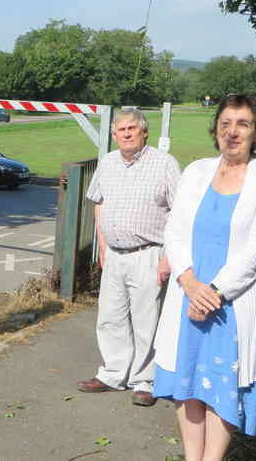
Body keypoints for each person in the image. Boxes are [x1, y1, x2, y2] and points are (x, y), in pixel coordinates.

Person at [153, 94, 256, 460]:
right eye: (225, 124)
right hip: (187, 296)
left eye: (243, 124)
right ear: (216, 130)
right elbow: (174, 231)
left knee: (221, 389)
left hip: (231, 304)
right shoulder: (196, 171)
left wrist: (213, 293)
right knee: (188, 384)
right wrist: (191, 284)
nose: (232, 132)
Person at [77, 108, 181, 407]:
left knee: (147, 320)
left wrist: (168, 258)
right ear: (113, 135)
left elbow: (180, 212)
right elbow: (98, 202)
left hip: (149, 253)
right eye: (120, 129)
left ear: (144, 131)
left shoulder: (165, 164)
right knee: (110, 317)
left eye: (131, 128)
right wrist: (102, 245)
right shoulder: (107, 163)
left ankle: (144, 380)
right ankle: (112, 373)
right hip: (115, 254)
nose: (126, 133)